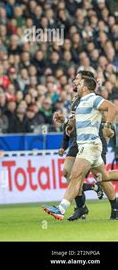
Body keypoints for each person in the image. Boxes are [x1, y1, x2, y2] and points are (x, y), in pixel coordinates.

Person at [43, 77, 117, 220]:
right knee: (105, 177)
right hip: (90, 146)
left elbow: (113, 108)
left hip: (90, 146)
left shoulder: (93, 98)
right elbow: (77, 123)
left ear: (85, 88)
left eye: (80, 82)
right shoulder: (81, 102)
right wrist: (65, 121)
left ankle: (60, 209)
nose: (76, 83)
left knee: (75, 176)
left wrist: (107, 126)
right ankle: (64, 208)